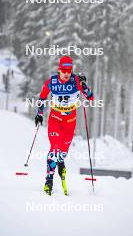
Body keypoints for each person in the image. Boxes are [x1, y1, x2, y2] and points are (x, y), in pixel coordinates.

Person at [35, 56, 94, 195]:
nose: (67, 73)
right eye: (64, 71)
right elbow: (42, 97)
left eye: (69, 70)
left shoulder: (76, 82)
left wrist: (84, 85)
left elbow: (90, 97)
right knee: (55, 148)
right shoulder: (52, 82)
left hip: (69, 123)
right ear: (59, 70)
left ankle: (61, 161)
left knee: (62, 153)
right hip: (55, 120)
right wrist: (39, 113)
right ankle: (49, 180)